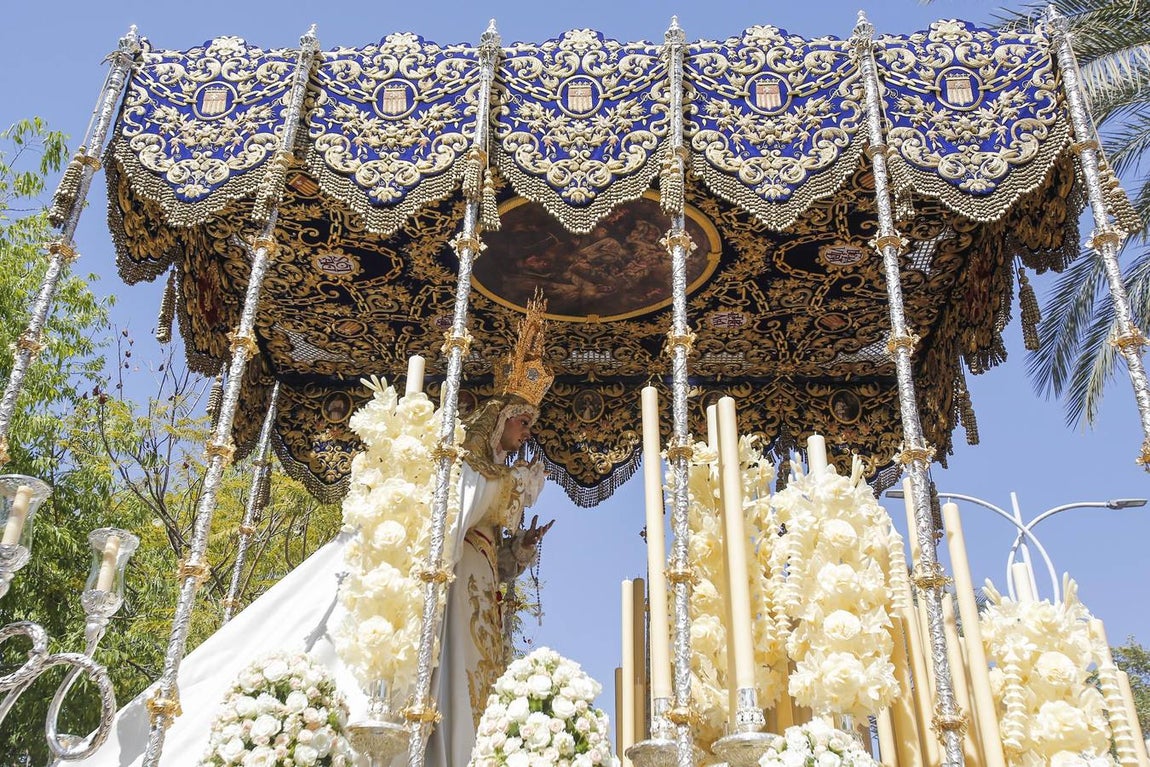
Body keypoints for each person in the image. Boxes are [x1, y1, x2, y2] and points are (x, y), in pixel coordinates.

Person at [429, 293, 556, 767]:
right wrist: (512, 489)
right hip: (458, 578)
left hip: (485, 588)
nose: (526, 433)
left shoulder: (496, 473)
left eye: (529, 425)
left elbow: (499, 562)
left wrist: (520, 549)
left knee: (485, 672)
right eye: (522, 422)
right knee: (460, 670)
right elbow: (461, 509)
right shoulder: (468, 465)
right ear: (501, 418)